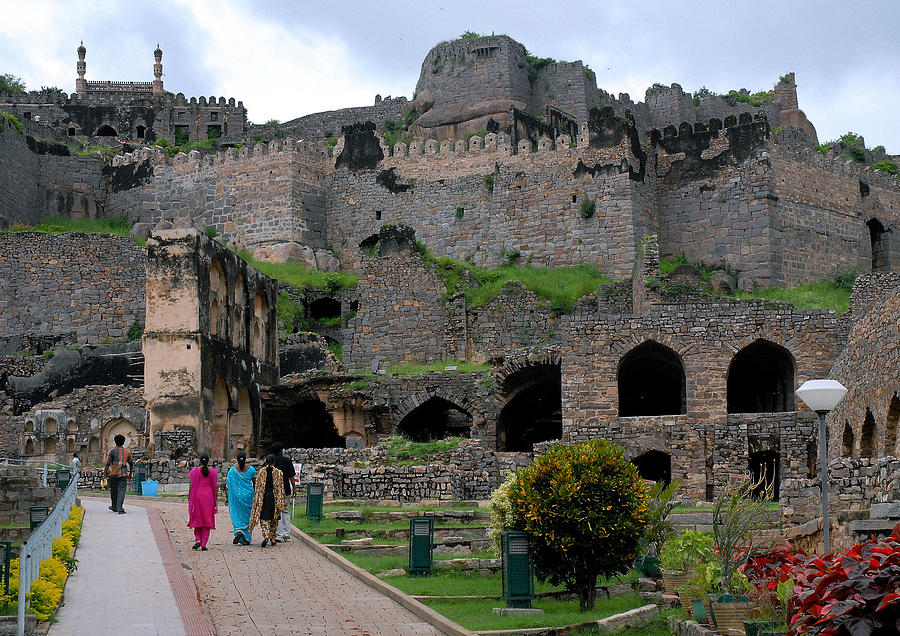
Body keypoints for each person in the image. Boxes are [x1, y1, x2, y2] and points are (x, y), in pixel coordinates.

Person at [248, 454, 285, 548]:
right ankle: (273, 538)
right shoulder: (279, 473)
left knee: (264, 518)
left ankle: (266, 535)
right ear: (274, 462)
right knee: (274, 518)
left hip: (263, 497)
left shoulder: (261, 472)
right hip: (275, 497)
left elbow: (257, 486)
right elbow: (281, 487)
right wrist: (282, 498)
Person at [188, 454, 218, 551]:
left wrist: (190, 498)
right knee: (206, 520)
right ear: (208, 461)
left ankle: (198, 539)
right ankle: (204, 544)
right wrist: (215, 500)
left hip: (197, 496)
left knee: (198, 518)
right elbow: (214, 487)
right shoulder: (213, 472)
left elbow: (191, 485)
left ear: (199, 461)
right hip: (208, 497)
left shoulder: (194, 472)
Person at [225, 451, 256, 546]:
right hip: (248, 497)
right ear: (246, 459)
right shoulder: (251, 470)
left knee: (237, 515)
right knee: (248, 517)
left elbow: (228, 486)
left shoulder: (232, 471)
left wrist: (227, 498)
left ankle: (239, 531)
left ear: (237, 460)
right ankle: (246, 537)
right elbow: (256, 485)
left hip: (236, 498)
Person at [271, 442, 295, 542]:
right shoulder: (287, 460)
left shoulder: (270, 460)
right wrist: (294, 488)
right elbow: (291, 476)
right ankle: (286, 533)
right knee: (285, 510)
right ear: (281, 450)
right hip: (285, 488)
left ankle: (278, 534)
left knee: (276, 511)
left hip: (273, 489)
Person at [104, 434, 133, 514]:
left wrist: (105, 473)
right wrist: (130, 473)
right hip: (123, 474)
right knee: (121, 491)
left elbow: (107, 464)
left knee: (113, 490)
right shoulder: (127, 451)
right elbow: (131, 463)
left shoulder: (111, 451)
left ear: (115, 442)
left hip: (114, 474)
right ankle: (120, 508)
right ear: (123, 442)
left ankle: (114, 506)